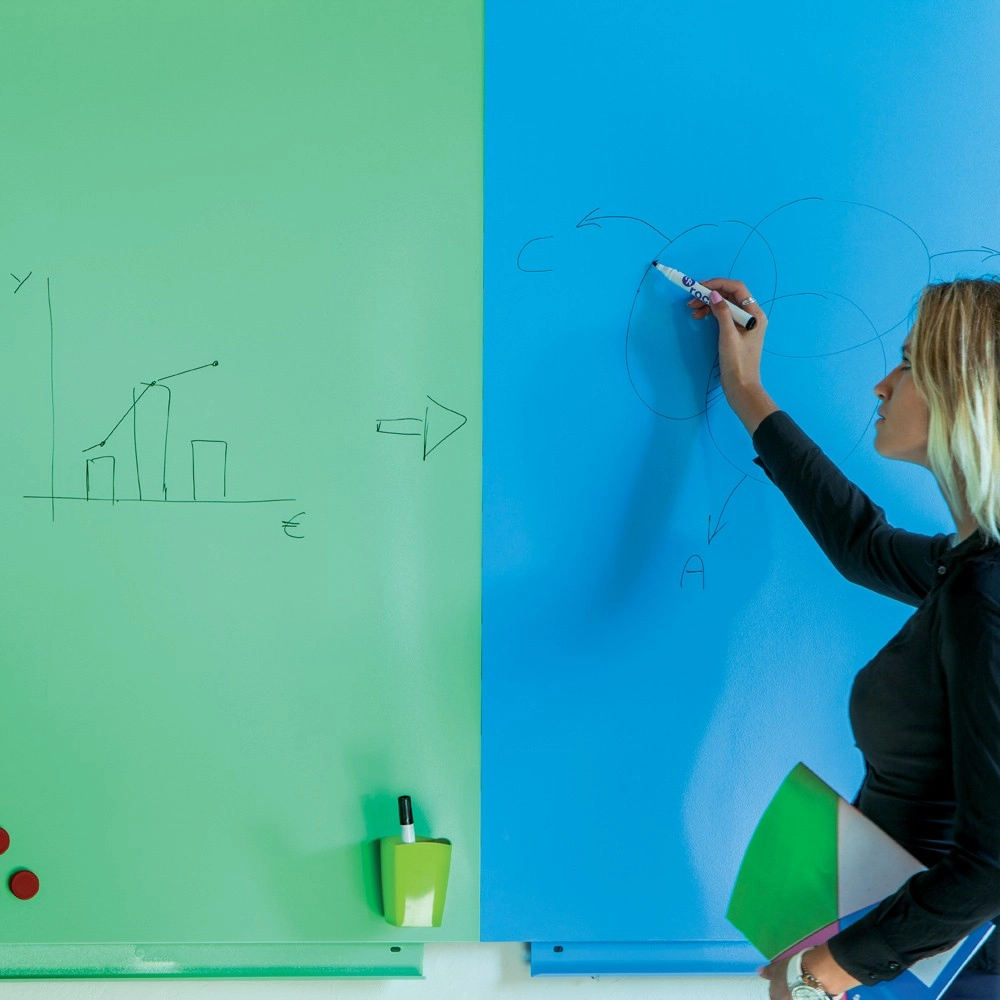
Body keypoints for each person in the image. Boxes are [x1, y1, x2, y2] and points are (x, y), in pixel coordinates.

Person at [690, 278, 1000, 1000]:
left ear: (966, 393)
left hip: (938, 975)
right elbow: (862, 543)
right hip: (900, 956)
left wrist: (825, 970)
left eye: (908, 365)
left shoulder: (984, 594)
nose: (881, 385)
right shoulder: (967, 570)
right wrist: (745, 389)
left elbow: (994, 863)